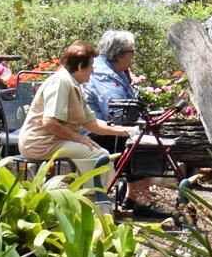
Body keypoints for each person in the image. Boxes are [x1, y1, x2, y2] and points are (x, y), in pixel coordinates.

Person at [87, 30, 163, 214]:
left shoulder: (116, 71)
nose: (134, 55)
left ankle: (132, 196)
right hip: (96, 132)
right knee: (145, 145)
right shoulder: (104, 74)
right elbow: (118, 111)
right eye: (132, 51)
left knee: (144, 136)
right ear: (120, 53)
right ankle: (140, 200)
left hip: (106, 128)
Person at [19, 44, 125, 173]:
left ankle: (91, 191)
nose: (93, 70)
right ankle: (94, 193)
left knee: (97, 151)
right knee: (98, 155)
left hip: (56, 141)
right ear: (80, 66)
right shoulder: (61, 82)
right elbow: (50, 122)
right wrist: (80, 138)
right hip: (41, 144)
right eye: (91, 65)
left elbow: (92, 124)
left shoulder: (73, 83)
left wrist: (127, 131)